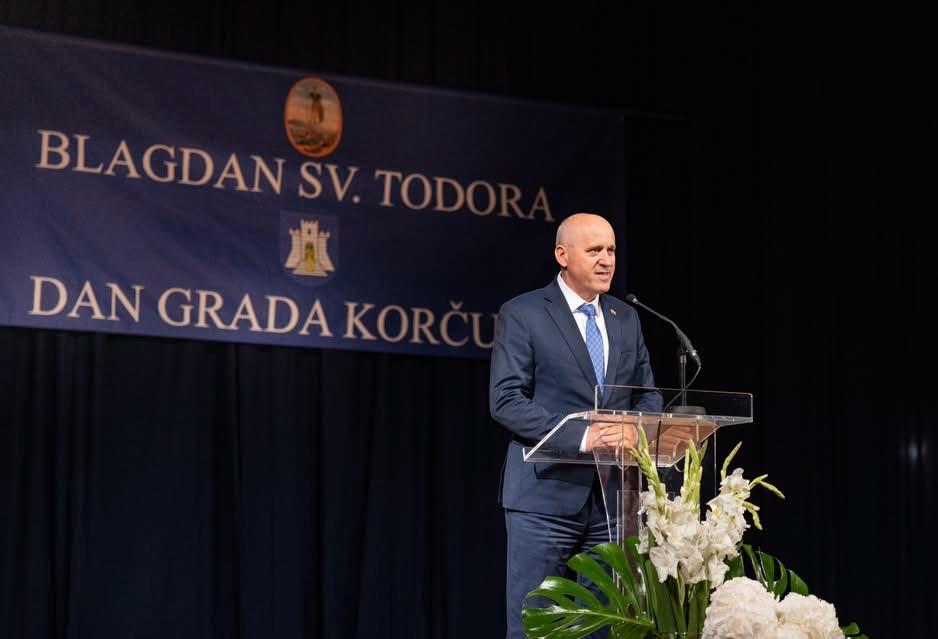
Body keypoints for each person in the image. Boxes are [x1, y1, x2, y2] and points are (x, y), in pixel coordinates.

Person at [489, 212, 662, 639]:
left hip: (612, 500)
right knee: (535, 626)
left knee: (605, 626)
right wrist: (583, 436)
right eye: (594, 250)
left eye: (612, 250)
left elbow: (647, 395)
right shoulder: (524, 313)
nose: (607, 260)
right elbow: (506, 400)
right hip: (543, 497)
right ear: (562, 255)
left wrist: (637, 430)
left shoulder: (625, 317)